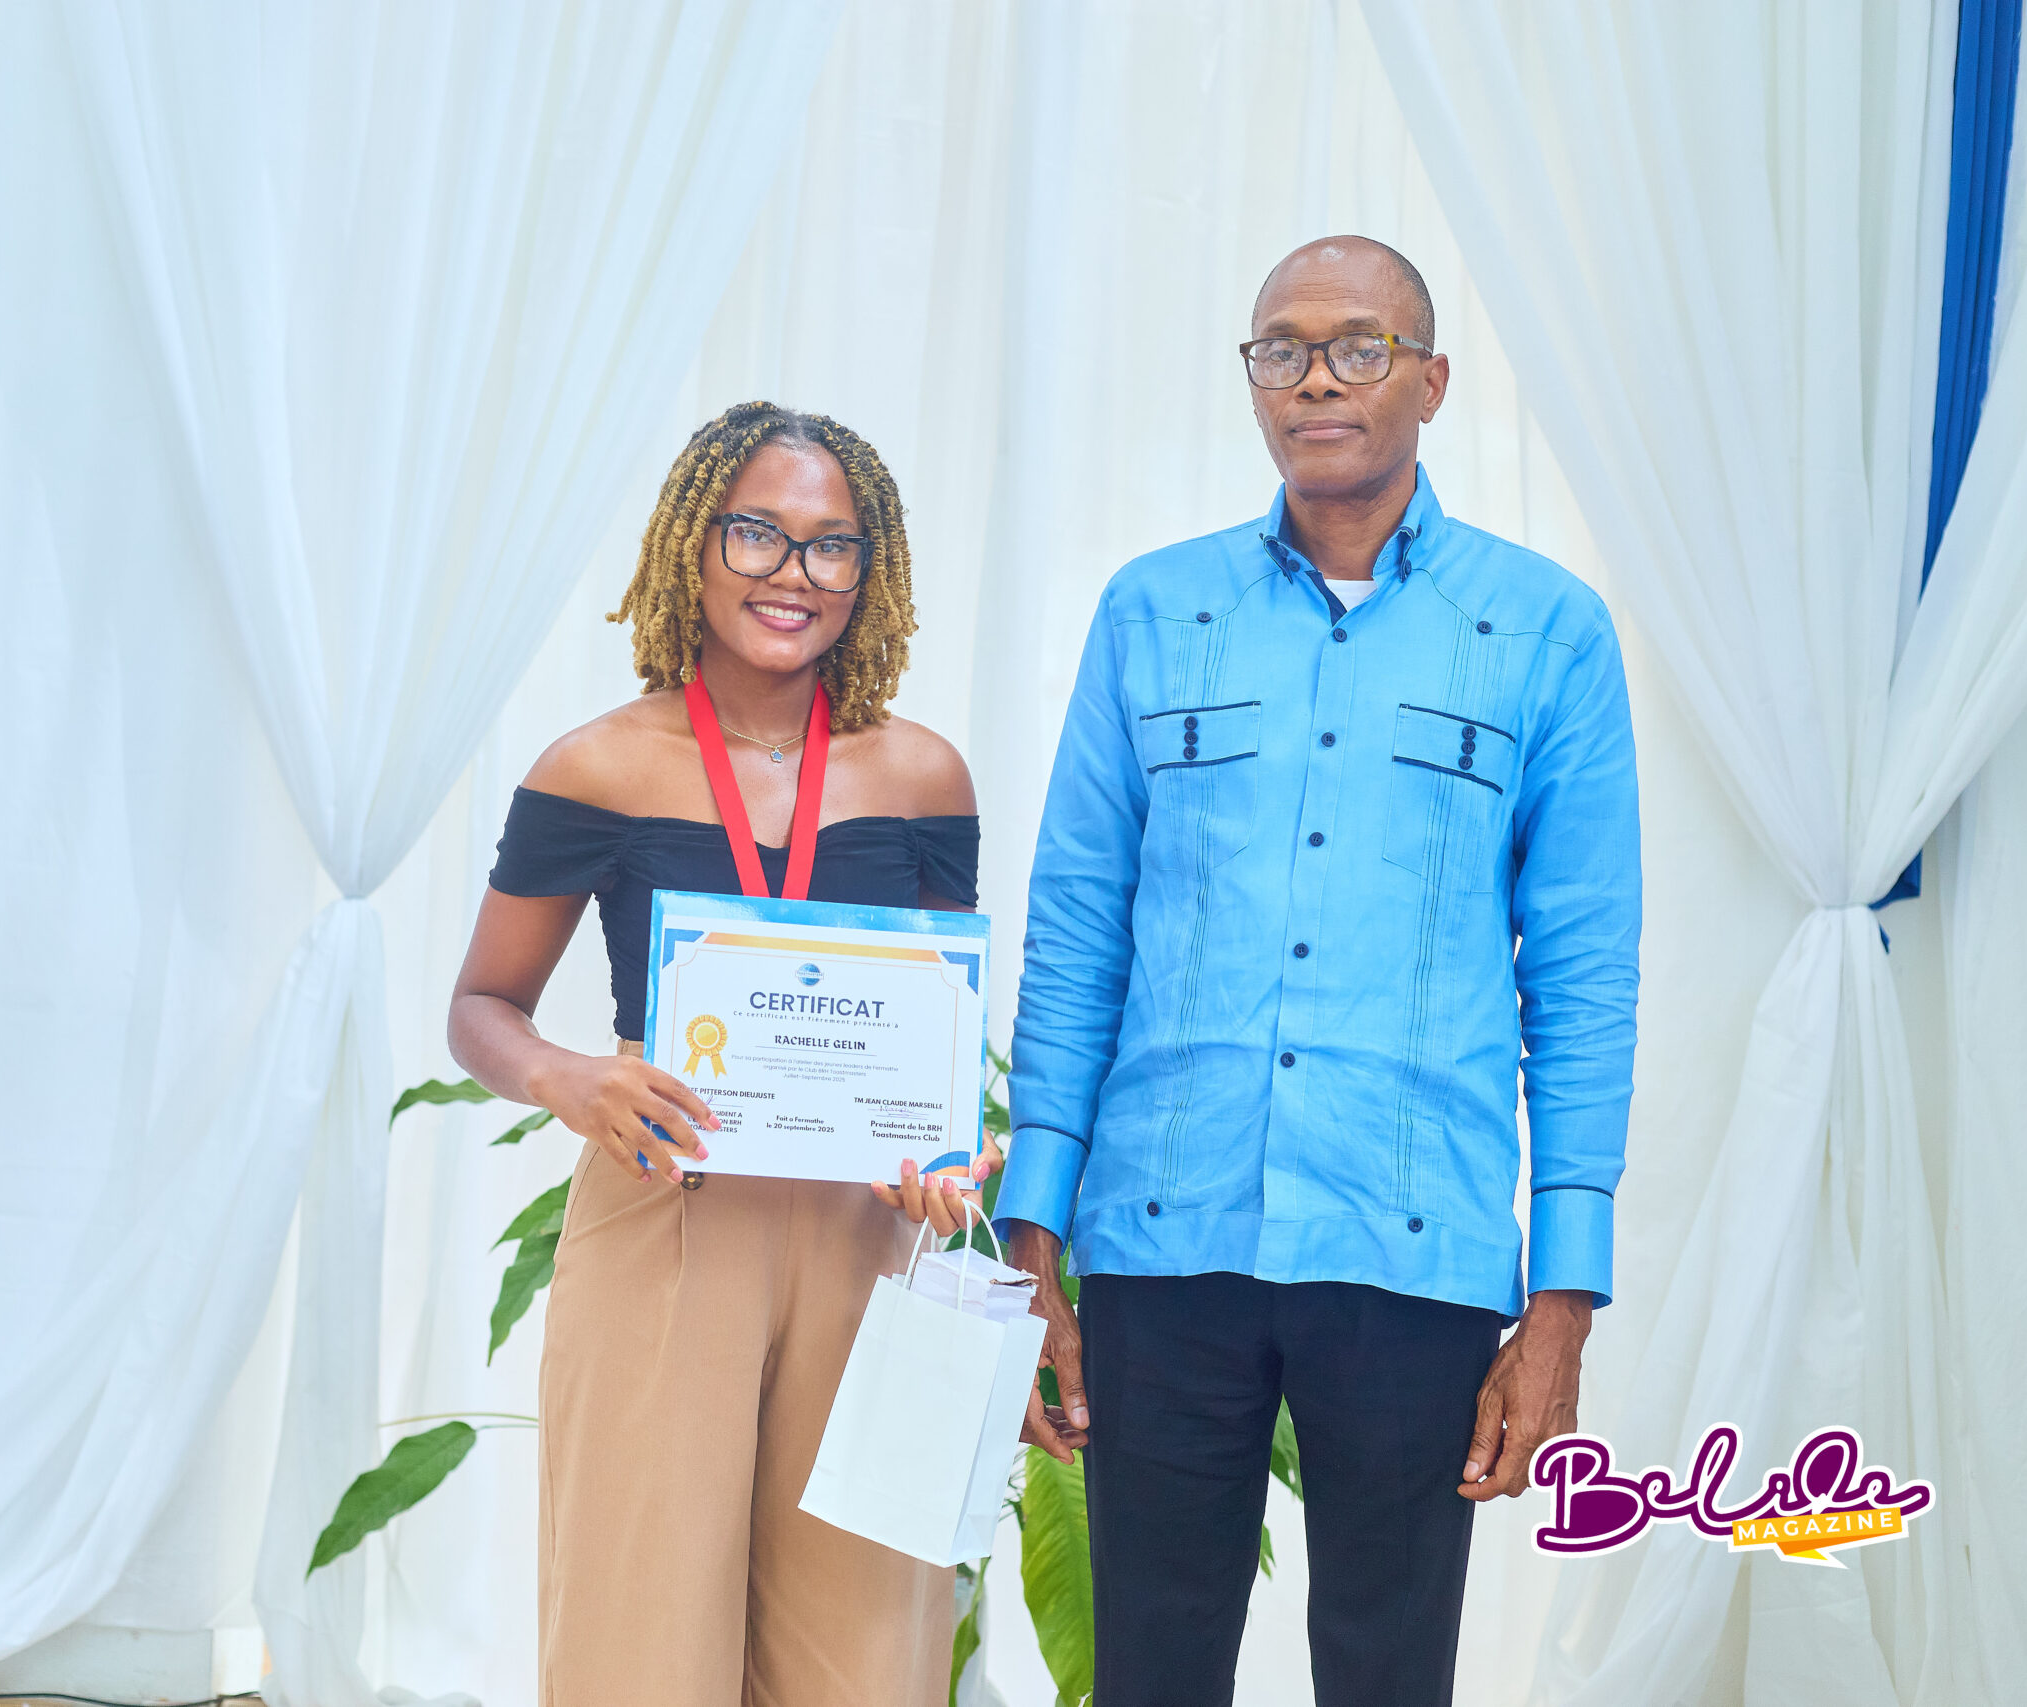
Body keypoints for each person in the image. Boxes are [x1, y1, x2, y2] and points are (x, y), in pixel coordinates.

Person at [995, 236, 1642, 1707]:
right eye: (1280, 350)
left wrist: (1564, 1295)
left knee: (1387, 1675)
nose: (1316, 381)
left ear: (1432, 381)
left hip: (1410, 1244)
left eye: (1359, 347)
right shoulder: (1154, 613)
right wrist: (1034, 1228)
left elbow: (1584, 975)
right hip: (1164, 1237)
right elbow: (1082, 921)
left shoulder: (1546, 632)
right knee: (1152, 1674)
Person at [447, 402, 986, 1707]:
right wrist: (569, 1078)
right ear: (693, 544)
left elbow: (935, 1022)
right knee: (640, 1643)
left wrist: (946, 1154)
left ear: (868, 571)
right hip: (665, 1211)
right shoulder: (597, 767)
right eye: (757, 533)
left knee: (870, 1655)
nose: (792, 574)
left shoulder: (924, 778)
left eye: (830, 544)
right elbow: (482, 1007)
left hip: (866, 1234)